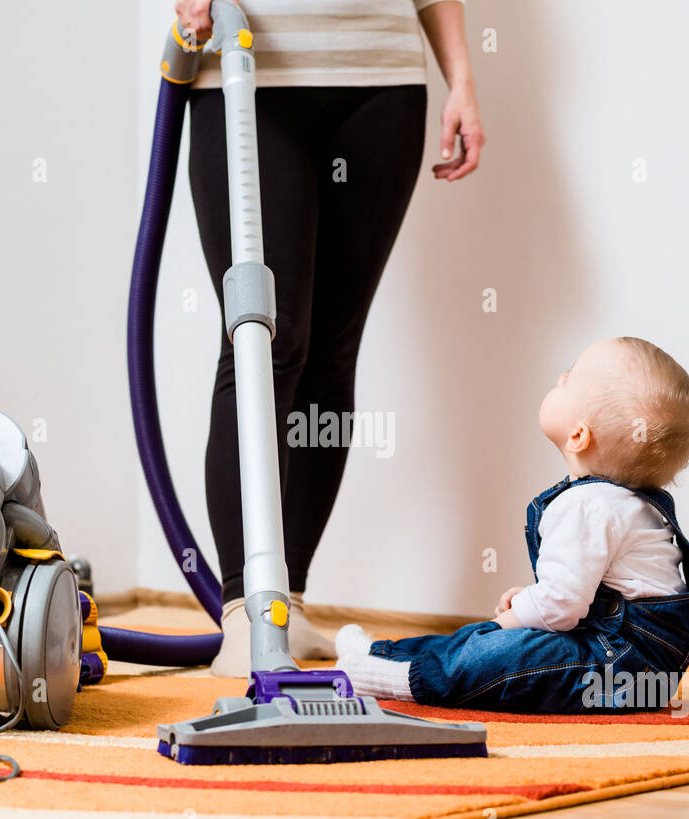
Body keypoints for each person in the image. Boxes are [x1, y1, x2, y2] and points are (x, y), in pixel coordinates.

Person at [176, 0, 486, 676]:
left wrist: (460, 77)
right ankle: (243, 612)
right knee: (263, 341)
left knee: (330, 351)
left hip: (383, 84)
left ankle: (288, 601)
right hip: (248, 70)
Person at [334, 337, 689, 713]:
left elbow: (561, 608)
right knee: (492, 641)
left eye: (569, 378)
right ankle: (379, 654)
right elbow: (583, 591)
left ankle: (391, 679)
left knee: (498, 652)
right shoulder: (613, 502)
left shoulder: (588, 505)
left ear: (578, 435)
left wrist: (508, 621)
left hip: (619, 666)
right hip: (622, 656)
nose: (559, 378)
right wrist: (531, 599)